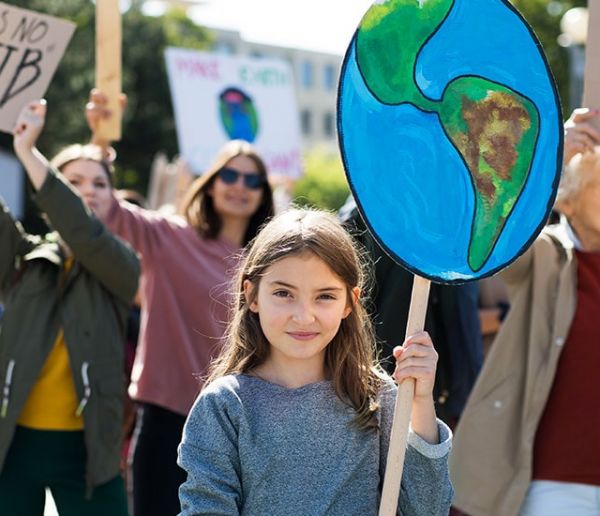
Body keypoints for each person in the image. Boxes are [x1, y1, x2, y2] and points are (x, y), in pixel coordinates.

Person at [178, 208, 453, 515]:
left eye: (325, 296)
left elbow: (427, 509)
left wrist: (420, 402)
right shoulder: (225, 405)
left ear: (349, 302)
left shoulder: (376, 396)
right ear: (252, 295)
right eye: (284, 293)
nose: (304, 316)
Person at [86, 90, 275, 516]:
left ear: (263, 192)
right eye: (230, 175)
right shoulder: (169, 237)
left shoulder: (270, 265)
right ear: (210, 183)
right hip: (164, 418)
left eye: (252, 180)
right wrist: (100, 143)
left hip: (236, 424)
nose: (240, 187)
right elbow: (110, 211)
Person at [450, 108, 600, 516]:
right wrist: (554, 154)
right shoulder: (548, 256)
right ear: (567, 200)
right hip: (555, 482)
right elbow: (499, 235)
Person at [0, 100, 139, 514]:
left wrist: (27, 152)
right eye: (73, 181)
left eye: (99, 183)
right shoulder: (26, 260)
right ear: (51, 193)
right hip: (12, 445)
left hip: (89, 454)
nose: (88, 191)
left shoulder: (123, 263)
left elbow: (81, 229)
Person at [340, 197, 483, 427]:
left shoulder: (445, 210)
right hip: (382, 378)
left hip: (426, 380)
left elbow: (459, 314)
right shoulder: (371, 209)